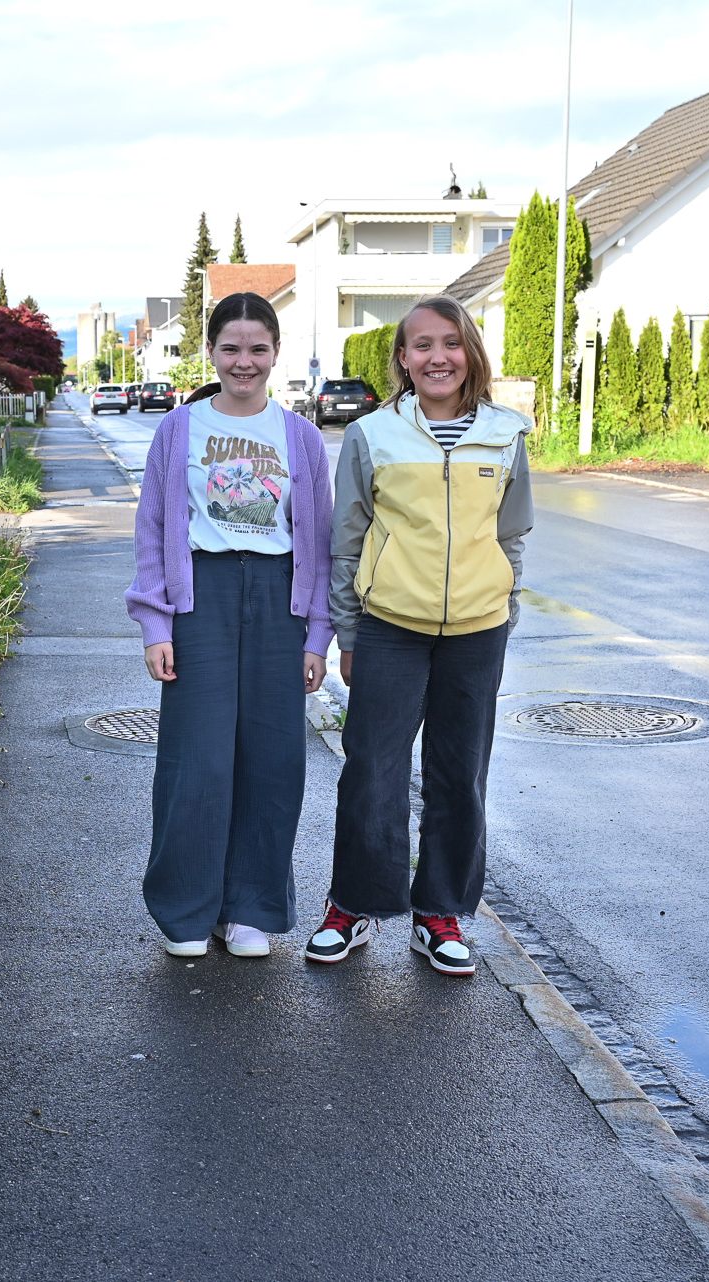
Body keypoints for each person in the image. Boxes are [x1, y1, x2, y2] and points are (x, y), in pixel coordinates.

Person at [303, 295, 533, 975]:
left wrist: (504, 608)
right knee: (371, 769)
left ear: (470, 353)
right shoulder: (374, 435)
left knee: (459, 775)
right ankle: (353, 904)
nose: (438, 357)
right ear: (402, 359)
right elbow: (346, 539)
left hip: (476, 631)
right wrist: (348, 628)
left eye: (451, 343)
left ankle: (440, 915)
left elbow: (511, 534)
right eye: (422, 345)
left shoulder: (505, 433)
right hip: (388, 627)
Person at [125, 292, 334, 958]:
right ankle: (188, 910)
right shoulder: (178, 429)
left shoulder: (298, 434)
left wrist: (316, 636)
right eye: (230, 349)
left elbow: (319, 542)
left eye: (258, 349)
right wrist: (156, 624)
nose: (244, 362)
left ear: (274, 353)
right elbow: (154, 529)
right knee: (198, 762)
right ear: (210, 353)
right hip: (200, 599)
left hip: (278, 601)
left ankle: (250, 908)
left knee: (273, 761)